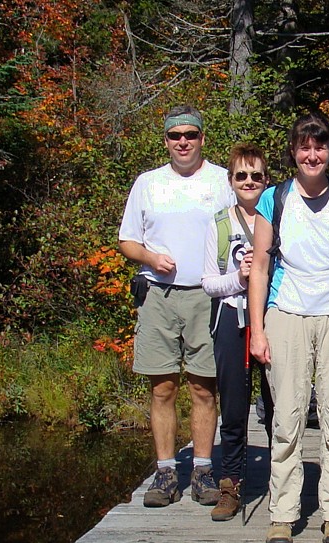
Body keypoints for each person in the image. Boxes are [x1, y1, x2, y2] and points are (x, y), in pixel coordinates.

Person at [248, 112, 329, 543]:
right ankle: (283, 512)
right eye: (304, 146)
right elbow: (261, 269)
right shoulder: (274, 199)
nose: (312, 154)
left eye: (319, 146)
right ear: (293, 152)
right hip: (285, 313)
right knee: (286, 417)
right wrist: (257, 330)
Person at [118, 105, 234, 508]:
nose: (182, 142)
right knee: (162, 386)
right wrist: (150, 258)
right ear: (165, 140)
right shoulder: (148, 184)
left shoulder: (224, 180)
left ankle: (203, 469)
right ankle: (166, 471)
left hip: (208, 295)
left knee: (204, 386)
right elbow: (127, 241)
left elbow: (244, 227)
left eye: (190, 134)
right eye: (174, 136)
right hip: (158, 294)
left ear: (202, 138)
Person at [201, 142, 274, 521]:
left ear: (266, 179)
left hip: (274, 315)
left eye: (256, 175)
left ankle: (283, 480)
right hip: (232, 317)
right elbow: (208, 283)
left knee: (280, 402)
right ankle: (231, 484)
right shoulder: (219, 222)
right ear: (230, 180)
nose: (249, 181)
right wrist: (238, 278)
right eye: (241, 175)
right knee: (233, 405)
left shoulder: (278, 215)